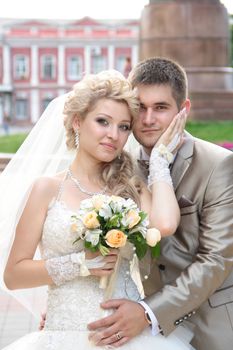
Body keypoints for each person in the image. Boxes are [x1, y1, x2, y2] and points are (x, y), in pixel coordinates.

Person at [0, 70, 193, 350]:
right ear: (77, 122)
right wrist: (80, 264)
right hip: (64, 331)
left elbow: (163, 225)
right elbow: (14, 275)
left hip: (125, 335)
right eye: (103, 122)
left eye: (124, 127)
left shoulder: (132, 188)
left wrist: (161, 161)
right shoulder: (45, 189)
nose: (113, 136)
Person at [87, 58, 233, 350]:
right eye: (140, 107)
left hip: (211, 328)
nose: (148, 119)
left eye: (161, 108)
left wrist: (147, 312)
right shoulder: (122, 169)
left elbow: (215, 261)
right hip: (148, 332)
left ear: (184, 110)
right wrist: (79, 310)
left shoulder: (219, 165)